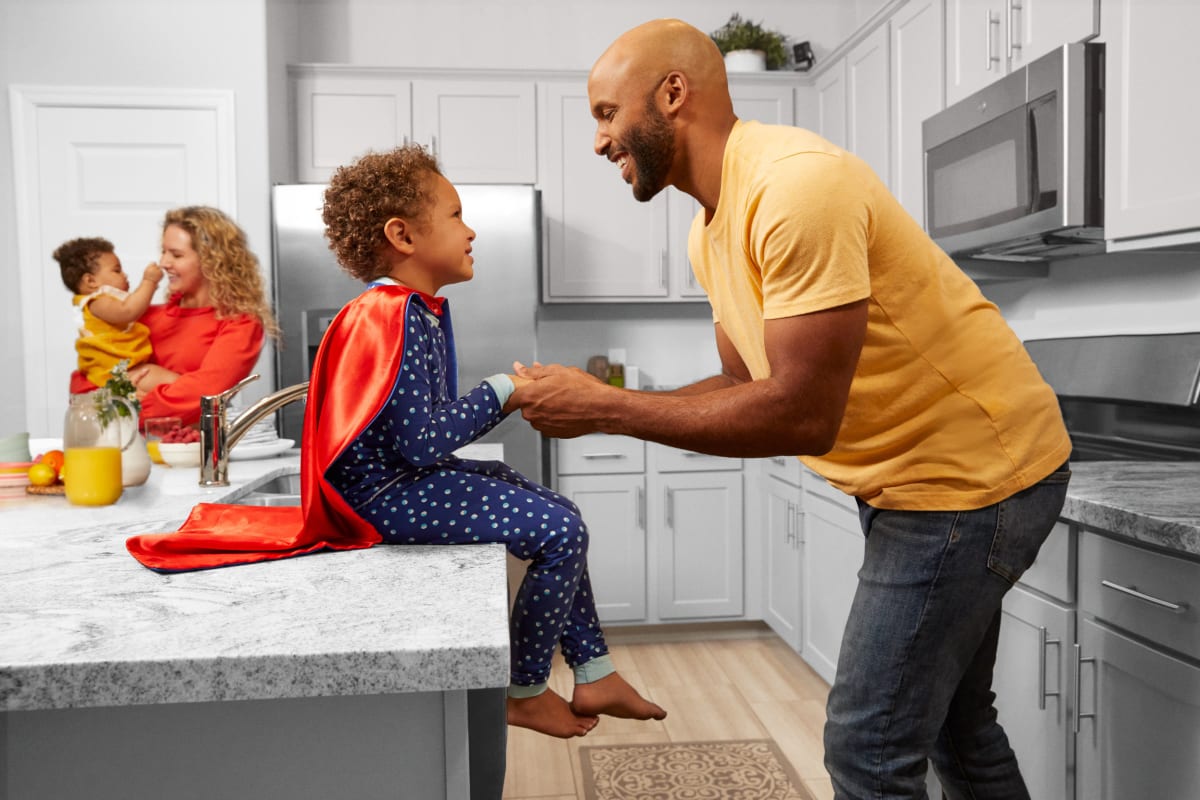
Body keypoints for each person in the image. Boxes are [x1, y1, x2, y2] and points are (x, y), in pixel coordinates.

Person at [509, 18, 1072, 799]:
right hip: (911, 480)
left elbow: (802, 416)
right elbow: (748, 385)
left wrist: (607, 409)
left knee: (867, 747)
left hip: (973, 480)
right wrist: (608, 400)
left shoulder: (796, 185)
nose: (599, 142)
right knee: (955, 726)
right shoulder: (709, 230)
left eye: (607, 113)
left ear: (673, 94)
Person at [127, 145, 666, 740]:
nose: (471, 230)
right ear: (402, 235)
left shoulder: (413, 309)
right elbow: (422, 443)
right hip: (380, 497)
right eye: (457, 215)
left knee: (557, 511)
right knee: (562, 530)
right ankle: (527, 689)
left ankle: (594, 670)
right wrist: (505, 389)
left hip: (390, 485)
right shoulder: (394, 312)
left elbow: (421, 435)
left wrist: (510, 395)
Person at [68, 207, 279, 425]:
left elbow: (206, 394)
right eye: (164, 251)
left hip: (194, 451)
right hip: (132, 450)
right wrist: (116, 399)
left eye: (176, 255)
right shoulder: (144, 317)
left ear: (212, 260)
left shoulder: (240, 324)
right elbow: (84, 381)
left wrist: (126, 406)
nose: (163, 263)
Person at [54, 237, 162, 391]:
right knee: (175, 383)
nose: (124, 275)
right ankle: (205, 411)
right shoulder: (96, 302)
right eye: (117, 270)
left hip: (126, 369)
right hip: (118, 374)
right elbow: (128, 311)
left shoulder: (105, 301)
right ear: (91, 281)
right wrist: (149, 282)